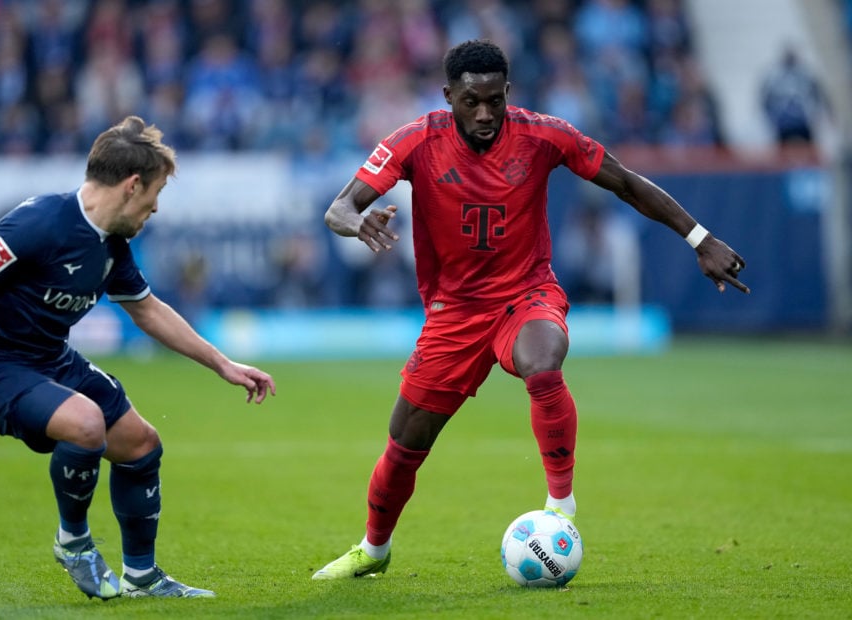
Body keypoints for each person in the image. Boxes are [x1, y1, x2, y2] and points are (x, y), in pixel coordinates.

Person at [312, 39, 748, 580]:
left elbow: (628, 183)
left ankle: (561, 507)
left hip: (526, 293)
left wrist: (699, 238)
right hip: (454, 314)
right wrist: (358, 221)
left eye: (495, 100)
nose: (485, 113)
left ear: (508, 93)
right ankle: (373, 551)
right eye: (471, 101)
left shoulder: (544, 134)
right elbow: (339, 206)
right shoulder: (414, 141)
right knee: (404, 447)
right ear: (448, 96)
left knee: (543, 360)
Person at [0, 116, 276, 599]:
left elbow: (148, 311)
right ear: (131, 184)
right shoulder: (39, 223)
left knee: (141, 443)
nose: (156, 208)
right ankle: (74, 542)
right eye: (155, 194)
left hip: (49, 360)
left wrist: (224, 365)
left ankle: (142, 577)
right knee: (85, 423)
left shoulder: (112, 245)